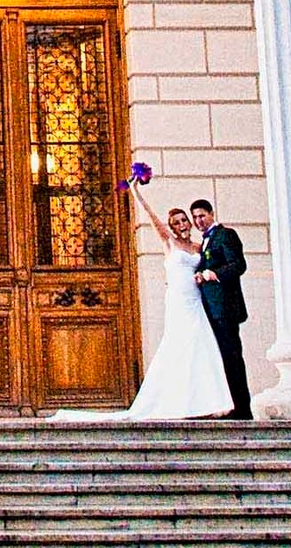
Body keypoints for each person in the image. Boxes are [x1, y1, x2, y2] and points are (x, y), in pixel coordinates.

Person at [52, 179, 234, 421]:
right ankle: (177, 401)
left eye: (184, 221)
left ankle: (208, 401)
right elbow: (151, 218)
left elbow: (213, 266)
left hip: (195, 299)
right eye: (176, 222)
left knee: (201, 345)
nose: (181, 225)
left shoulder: (199, 247)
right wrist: (136, 191)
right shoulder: (170, 243)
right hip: (178, 300)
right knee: (179, 345)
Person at [188, 198, 252, 419]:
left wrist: (214, 274)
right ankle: (231, 404)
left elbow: (238, 264)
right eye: (195, 217)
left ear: (212, 213)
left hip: (225, 307)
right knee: (222, 358)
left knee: (232, 356)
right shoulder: (204, 241)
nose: (199, 221)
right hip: (211, 309)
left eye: (202, 215)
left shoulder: (225, 235)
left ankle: (243, 408)